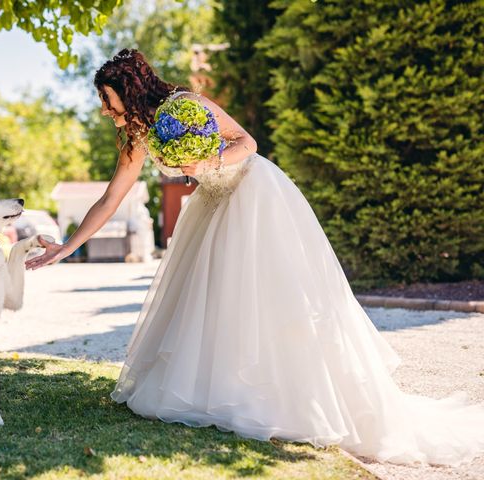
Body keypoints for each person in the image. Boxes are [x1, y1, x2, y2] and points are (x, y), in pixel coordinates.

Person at [26, 49, 484, 465]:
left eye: (107, 100)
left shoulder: (187, 105)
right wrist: (68, 247)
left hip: (254, 194)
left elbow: (246, 142)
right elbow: (110, 199)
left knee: (278, 300)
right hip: (213, 204)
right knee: (220, 304)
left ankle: (302, 400)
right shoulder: (137, 137)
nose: (105, 110)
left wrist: (206, 163)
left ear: (128, 90)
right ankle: (231, 393)